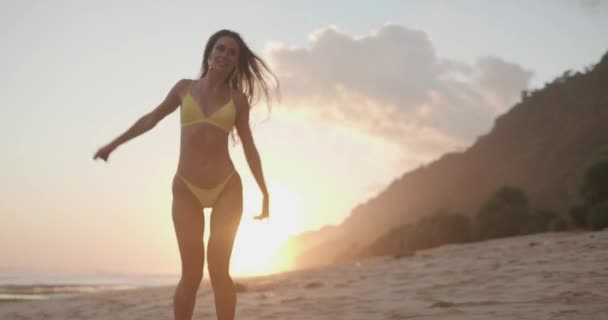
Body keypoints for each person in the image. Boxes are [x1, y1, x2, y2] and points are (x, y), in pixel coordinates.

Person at [93, 29, 279, 320]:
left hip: (226, 187)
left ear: (235, 63)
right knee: (191, 274)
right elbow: (150, 119)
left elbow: (250, 147)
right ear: (209, 53)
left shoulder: (238, 100)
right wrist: (114, 144)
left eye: (232, 53)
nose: (224, 55)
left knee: (219, 270)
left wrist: (265, 193)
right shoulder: (184, 88)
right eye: (220, 48)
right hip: (186, 188)